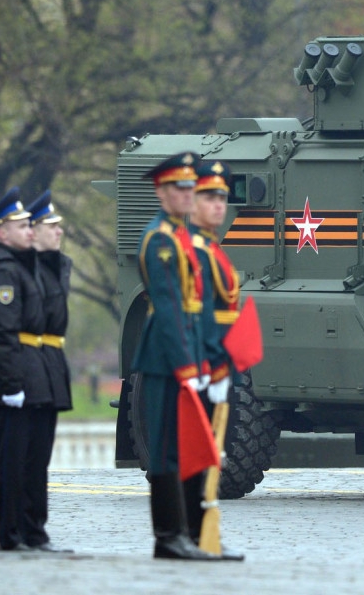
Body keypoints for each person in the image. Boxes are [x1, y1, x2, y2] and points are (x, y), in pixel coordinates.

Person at [132, 151, 219, 561]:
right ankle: (167, 536)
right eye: (179, 189)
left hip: (185, 353)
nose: (188, 195)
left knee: (187, 449)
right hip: (164, 358)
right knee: (166, 450)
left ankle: (185, 534)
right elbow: (167, 308)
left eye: (190, 188)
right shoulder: (160, 240)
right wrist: (187, 365)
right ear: (161, 192)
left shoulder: (183, 236)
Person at [0, 187, 51, 551]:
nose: (29, 230)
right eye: (20, 225)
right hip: (14, 374)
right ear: (1, 232)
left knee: (32, 458)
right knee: (11, 459)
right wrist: (10, 382)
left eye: (30, 224)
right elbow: (5, 332)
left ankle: (29, 529)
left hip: (33, 369)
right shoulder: (4, 270)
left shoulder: (25, 266)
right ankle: (6, 531)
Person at [187, 160, 244, 560]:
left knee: (208, 458)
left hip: (214, 367)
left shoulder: (213, 250)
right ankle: (182, 535)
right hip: (190, 367)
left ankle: (203, 536)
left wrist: (223, 369)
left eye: (223, 197)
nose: (219, 205)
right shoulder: (180, 248)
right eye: (210, 197)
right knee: (188, 456)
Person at [23, 190, 72, 552]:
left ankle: (35, 529)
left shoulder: (57, 265)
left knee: (40, 457)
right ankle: (17, 528)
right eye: (50, 226)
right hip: (27, 364)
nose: (59, 232)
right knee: (20, 456)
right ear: (32, 230)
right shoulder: (25, 268)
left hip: (50, 363)